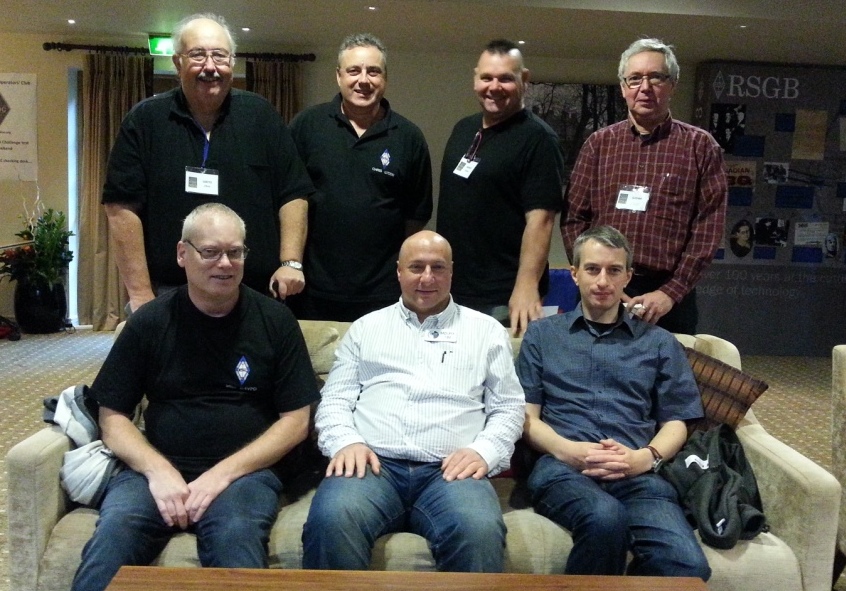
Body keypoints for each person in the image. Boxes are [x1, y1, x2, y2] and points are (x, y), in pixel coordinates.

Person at [71, 203, 320, 591]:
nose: (225, 264)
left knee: (237, 543)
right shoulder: (149, 322)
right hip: (156, 468)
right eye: (211, 252)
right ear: (182, 254)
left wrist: (222, 474)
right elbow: (112, 417)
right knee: (113, 538)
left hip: (245, 476)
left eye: (235, 252)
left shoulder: (276, 321)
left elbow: (296, 421)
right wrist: (158, 471)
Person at [302, 230, 525, 572]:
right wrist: (346, 442)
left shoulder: (487, 331)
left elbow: (508, 407)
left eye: (438, 267)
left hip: (451, 473)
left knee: (478, 530)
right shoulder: (366, 328)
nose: (427, 278)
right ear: (399, 271)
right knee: (331, 519)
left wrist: (484, 451)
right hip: (373, 466)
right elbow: (334, 400)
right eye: (416, 267)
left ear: (452, 271)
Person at [516, 225, 710, 580]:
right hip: (563, 468)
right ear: (574, 274)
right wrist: (569, 451)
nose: (603, 281)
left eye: (614, 270)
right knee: (606, 519)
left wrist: (644, 458)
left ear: (628, 277)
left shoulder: (660, 342)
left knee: (688, 566)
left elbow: (676, 421)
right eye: (592, 269)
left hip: (636, 472)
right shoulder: (542, 335)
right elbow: (526, 418)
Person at [103, 13, 314, 313]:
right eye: (198, 55)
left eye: (220, 55)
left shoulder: (261, 116)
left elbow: (293, 193)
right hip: (169, 293)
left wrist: (291, 262)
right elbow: (121, 207)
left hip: (255, 292)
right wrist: (139, 293)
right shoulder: (145, 120)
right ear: (177, 63)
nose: (211, 67)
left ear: (232, 62)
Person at [562, 37, 727, 335]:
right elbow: (574, 218)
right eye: (635, 78)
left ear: (673, 84)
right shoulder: (598, 145)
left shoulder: (700, 147)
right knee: (591, 363)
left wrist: (670, 293)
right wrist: (597, 277)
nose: (645, 87)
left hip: (668, 299)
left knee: (667, 366)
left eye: (656, 77)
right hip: (601, 290)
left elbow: (708, 230)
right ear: (623, 87)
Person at [288, 33, 433, 322]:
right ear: (339, 76)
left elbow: (415, 217)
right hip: (311, 290)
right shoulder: (306, 126)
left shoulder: (409, 137)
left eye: (373, 71)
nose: (363, 80)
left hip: (384, 294)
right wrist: (290, 263)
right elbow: (289, 198)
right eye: (354, 70)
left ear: (385, 78)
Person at [437, 39, 564, 337]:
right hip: (454, 288)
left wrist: (526, 285)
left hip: (502, 296)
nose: (494, 87)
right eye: (487, 78)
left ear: (524, 79)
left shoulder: (538, 139)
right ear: (475, 79)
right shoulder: (464, 129)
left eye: (505, 78)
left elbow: (541, 220)